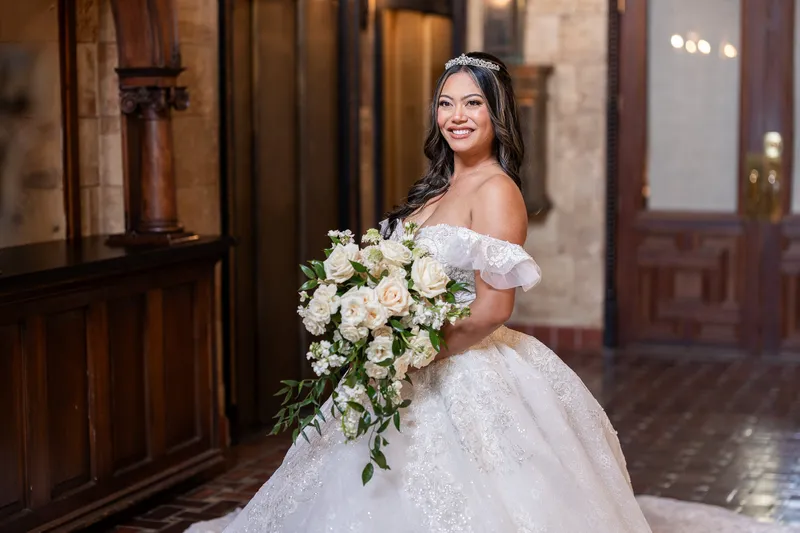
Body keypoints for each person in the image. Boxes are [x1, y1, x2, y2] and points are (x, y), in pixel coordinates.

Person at [186, 52, 795, 532]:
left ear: (496, 112)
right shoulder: (432, 193)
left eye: (471, 103)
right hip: (398, 360)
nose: (456, 116)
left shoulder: (497, 191)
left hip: (459, 363)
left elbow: (494, 307)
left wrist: (410, 352)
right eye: (446, 103)